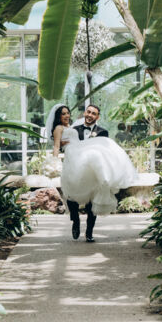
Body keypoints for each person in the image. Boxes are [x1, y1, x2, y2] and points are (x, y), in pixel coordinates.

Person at [47, 103, 136, 243]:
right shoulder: (74, 128)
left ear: (97, 117)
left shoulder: (103, 132)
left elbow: (106, 152)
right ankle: (75, 220)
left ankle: (89, 232)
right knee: (71, 197)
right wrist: (56, 157)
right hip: (75, 167)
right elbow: (64, 142)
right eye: (88, 112)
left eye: (93, 113)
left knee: (92, 204)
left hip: (93, 172)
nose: (90, 115)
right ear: (84, 113)